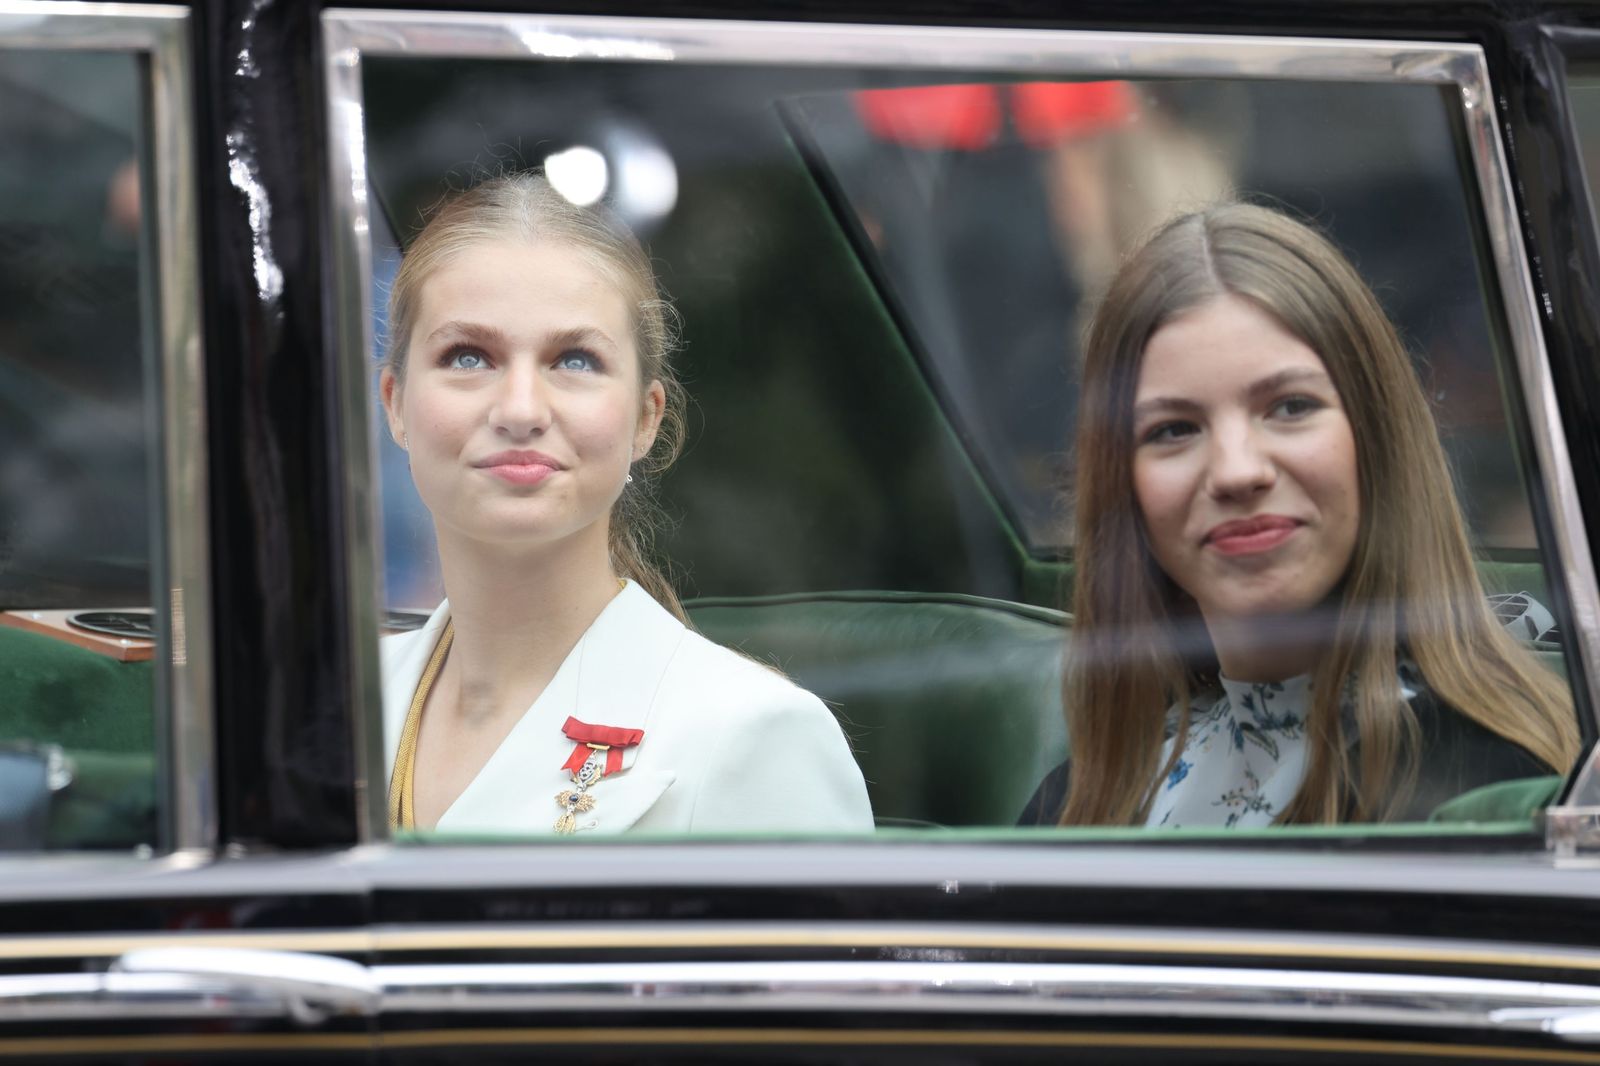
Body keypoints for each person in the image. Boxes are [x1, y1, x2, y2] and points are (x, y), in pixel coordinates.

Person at [1020, 202, 1579, 828]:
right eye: (1174, 429)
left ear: (1376, 439)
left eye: (1289, 407)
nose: (1237, 470)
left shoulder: (1493, 794)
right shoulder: (1079, 801)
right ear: (1122, 487)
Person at [378, 173, 872, 836]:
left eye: (575, 360)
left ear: (646, 418)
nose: (520, 409)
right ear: (395, 403)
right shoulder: (327, 716)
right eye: (469, 356)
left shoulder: (757, 737)